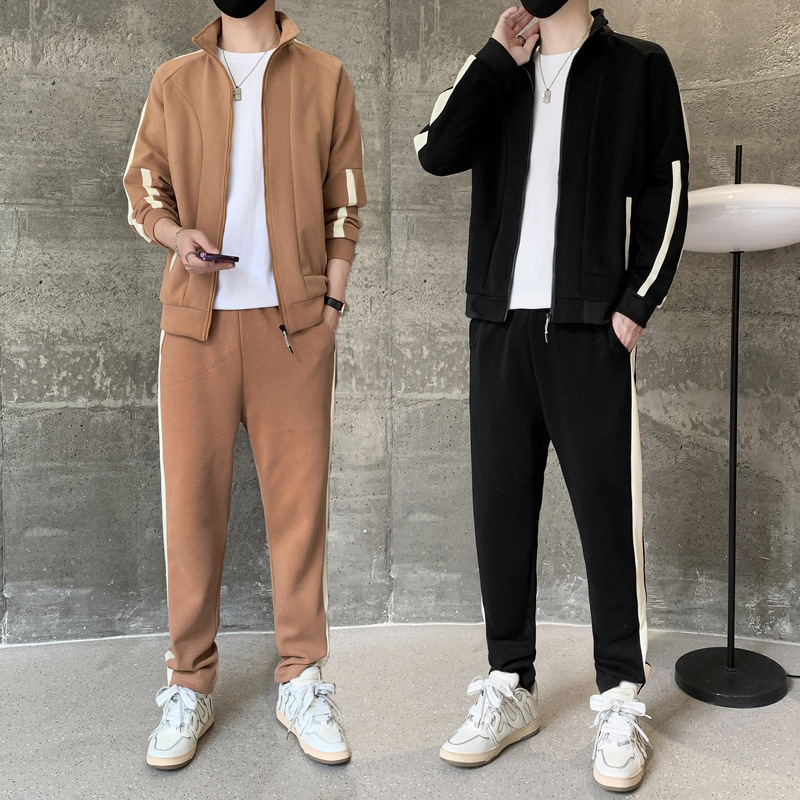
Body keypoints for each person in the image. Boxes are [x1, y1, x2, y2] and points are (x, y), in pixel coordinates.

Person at [415, 1, 688, 791]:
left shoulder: (638, 66)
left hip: (587, 330)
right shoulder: (498, 67)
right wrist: (493, 61)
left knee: (607, 516)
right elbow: (436, 150)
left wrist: (635, 304)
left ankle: (621, 696)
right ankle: (509, 684)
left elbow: (669, 187)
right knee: (499, 510)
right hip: (499, 324)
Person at [123, 0, 366, 770]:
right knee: (190, 509)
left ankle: (301, 677)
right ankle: (188, 683)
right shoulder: (175, 81)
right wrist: (175, 237)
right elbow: (143, 186)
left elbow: (344, 203)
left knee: (300, 510)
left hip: (293, 328)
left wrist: (330, 307)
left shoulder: (325, 77)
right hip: (195, 328)